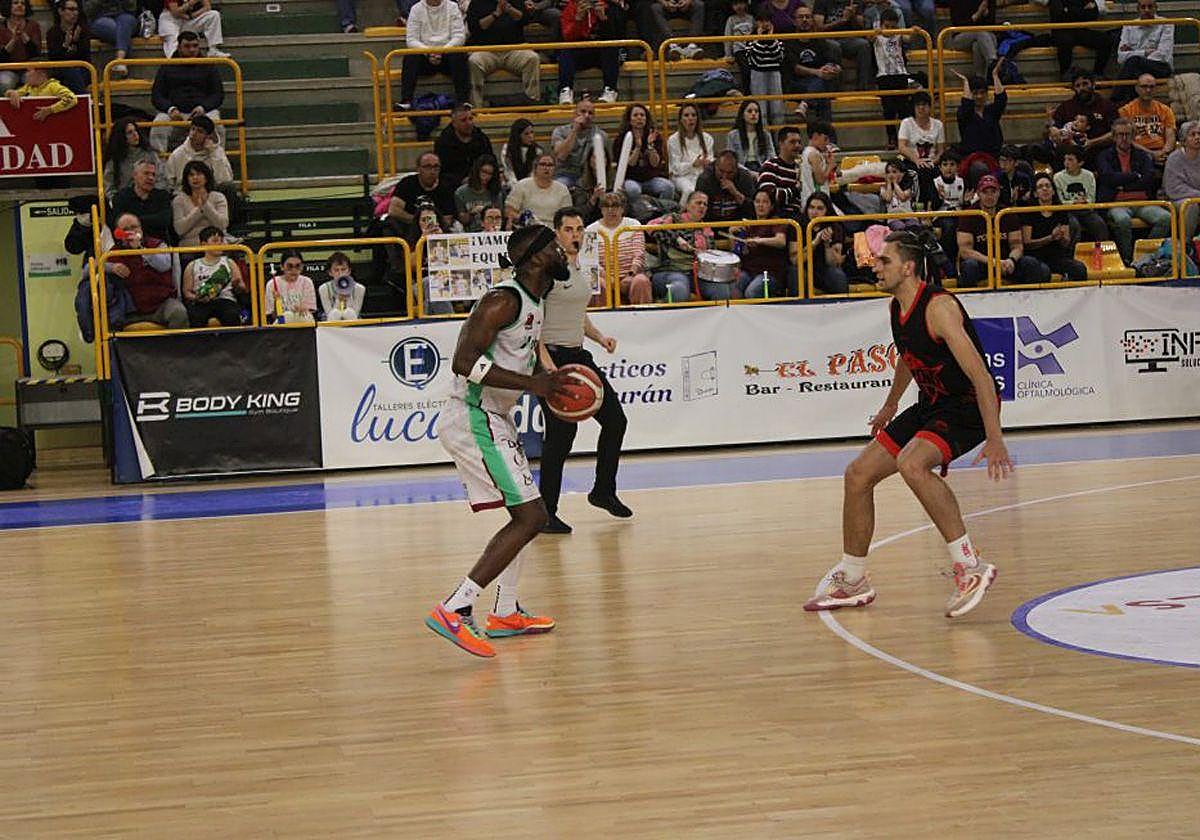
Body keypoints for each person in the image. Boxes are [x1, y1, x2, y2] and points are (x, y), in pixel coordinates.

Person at [804, 228, 1010, 617]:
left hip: (964, 408)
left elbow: (982, 377)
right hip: (931, 403)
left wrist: (995, 437)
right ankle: (853, 579)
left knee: (912, 464)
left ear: (909, 267)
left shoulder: (939, 308)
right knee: (858, 474)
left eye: (885, 261)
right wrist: (890, 404)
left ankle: (969, 565)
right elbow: (908, 356)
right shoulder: (898, 306)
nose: (876, 267)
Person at [424, 224, 573, 658]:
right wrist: (535, 385)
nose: (564, 250)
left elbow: (525, 346)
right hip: (473, 416)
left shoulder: (535, 299)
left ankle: (505, 610)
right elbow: (463, 362)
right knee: (530, 517)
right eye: (556, 245)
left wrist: (548, 380)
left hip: (496, 417)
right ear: (538, 256)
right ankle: (456, 606)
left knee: (528, 515)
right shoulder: (500, 300)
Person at [536, 207, 630, 534]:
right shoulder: (546, 271)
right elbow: (532, 325)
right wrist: (546, 366)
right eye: (569, 229)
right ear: (556, 233)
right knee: (561, 438)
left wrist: (600, 337)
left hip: (579, 354)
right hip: (553, 360)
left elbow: (578, 314)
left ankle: (603, 491)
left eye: (579, 229)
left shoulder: (577, 267)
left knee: (616, 421)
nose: (575, 234)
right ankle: (545, 512)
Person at [1096, 117, 1171, 264]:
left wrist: (1124, 185)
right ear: (1114, 137)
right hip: (1116, 203)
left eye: (1128, 134)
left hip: (1142, 201)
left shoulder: (1143, 155)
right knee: (1122, 220)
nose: (1124, 138)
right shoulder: (1104, 156)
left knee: (1166, 218)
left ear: (1133, 136)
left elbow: (1148, 179)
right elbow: (1108, 178)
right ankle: (1127, 258)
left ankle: (1145, 257)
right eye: (1120, 135)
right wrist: (1135, 176)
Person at [110, 212, 189, 329]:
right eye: (125, 229)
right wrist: (111, 267)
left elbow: (164, 265)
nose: (130, 231)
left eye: (134, 227)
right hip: (131, 309)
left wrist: (141, 250)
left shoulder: (158, 244)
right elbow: (89, 269)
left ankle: (175, 347)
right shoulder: (114, 252)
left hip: (162, 304)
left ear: (141, 228)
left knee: (179, 313)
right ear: (119, 233)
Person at [150, 31, 225, 152]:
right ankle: (160, 167)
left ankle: (217, 161)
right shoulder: (167, 66)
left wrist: (203, 107)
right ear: (179, 47)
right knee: (158, 125)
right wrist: (171, 109)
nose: (192, 50)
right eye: (187, 46)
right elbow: (157, 95)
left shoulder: (208, 65)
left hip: (202, 112)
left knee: (216, 124)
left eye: (195, 46)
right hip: (174, 114)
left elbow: (218, 94)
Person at [955, 174, 1034, 286]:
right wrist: (993, 262)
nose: (989, 196)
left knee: (1032, 264)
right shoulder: (969, 215)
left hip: (1006, 263)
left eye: (993, 192)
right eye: (985, 192)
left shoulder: (1007, 214)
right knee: (969, 266)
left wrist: (1011, 260)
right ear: (978, 194)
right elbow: (965, 251)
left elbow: (1017, 245)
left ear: (999, 193)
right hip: (982, 263)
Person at [466, 0, 540, 108]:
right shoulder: (477, 2)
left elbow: (525, 19)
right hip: (486, 50)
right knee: (473, 61)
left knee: (532, 58)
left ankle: (532, 101)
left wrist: (509, 9)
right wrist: (496, 14)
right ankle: (476, 107)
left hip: (514, 49)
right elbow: (475, 27)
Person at [398, 0, 470, 108]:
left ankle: (463, 101)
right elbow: (411, 40)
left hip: (448, 57)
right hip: (425, 57)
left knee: (458, 55)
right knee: (410, 57)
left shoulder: (453, 7)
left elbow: (459, 37)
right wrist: (428, 52)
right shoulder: (416, 9)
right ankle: (406, 100)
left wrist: (442, 51)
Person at [649, 191, 718, 301]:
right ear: (687, 205)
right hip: (670, 270)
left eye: (705, 204)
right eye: (698, 203)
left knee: (721, 289)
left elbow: (711, 253)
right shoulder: (674, 219)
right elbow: (651, 227)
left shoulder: (706, 228)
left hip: (697, 274)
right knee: (680, 289)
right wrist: (677, 239)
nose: (702, 206)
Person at [1020, 174, 1088, 283]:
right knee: (1044, 272)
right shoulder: (1028, 212)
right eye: (1040, 187)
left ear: (1053, 191)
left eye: (1048, 186)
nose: (1045, 189)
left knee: (1079, 269)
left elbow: (1066, 243)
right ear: (1035, 193)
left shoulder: (1060, 210)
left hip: (1056, 257)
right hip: (1036, 257)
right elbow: (1027, 243)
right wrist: (1050, 238)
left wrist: (1061, 237)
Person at [587, 191, 652, 304]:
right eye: (606, 206)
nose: (610, 210)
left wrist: (630, 275)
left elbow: (639, 254)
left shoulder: (634, 224)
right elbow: (591, 263)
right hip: (603, 277)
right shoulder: (590, 230)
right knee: (595, 282)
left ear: (622, 208)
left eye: (615, 206)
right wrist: (609, 279)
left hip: (630, 275)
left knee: (641, 281)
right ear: (601, 209)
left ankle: (643, 318)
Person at [557, 0, 621, 105]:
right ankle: (565, 90)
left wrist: (603, 18)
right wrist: (578, 19)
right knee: (566, 50)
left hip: (601, 53)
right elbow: (567, 37)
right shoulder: (571, 7)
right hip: (580, 51)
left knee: (611, 48)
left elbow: (616, 37)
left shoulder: (610, 7)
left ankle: (610, 89)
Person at [784, 3, 839, 122]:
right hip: (797, 83)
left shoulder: (819, 40)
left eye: (808, 17)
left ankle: (806, 104)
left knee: (822, 92)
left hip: (817, 83)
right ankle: (828, 137)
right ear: (794, 21)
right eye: (801, 17)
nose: (805, 20)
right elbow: (795, 68)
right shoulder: (789, 42)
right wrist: (817, 72)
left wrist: (832, 68)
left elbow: (831, 61)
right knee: (821, 88)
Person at [181, 225, 244, 327]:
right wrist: (197, 298)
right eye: (215, 241)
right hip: (201, 302)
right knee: (195, 317)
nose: (220, 243)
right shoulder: (192, 265)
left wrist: (237, 284)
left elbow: (242, 287)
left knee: (231, 315)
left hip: (225, 300)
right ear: (203, 244)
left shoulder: (229, 262)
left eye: (221, 240)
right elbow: (186, 292)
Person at [386, 152, 457, 240]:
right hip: (408, 227)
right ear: (418, 169)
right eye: (427, 167)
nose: (432, 171)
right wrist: (418, 222)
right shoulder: (407, 183)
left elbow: (448, 219)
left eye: (436, 167)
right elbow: (393, 210)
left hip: (437, 229)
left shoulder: (446, 186)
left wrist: (431, 226)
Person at [614, 103, 674, 205]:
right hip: (631, 179)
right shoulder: (622, 138)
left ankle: (663, 213)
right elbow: (630, 164)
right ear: (629, 119)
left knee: (668, 187)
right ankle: (639, 214)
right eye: (635, 115)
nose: (639, 118)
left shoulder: (655, 136)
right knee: (633, 190)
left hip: (651, 178)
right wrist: (637, 147)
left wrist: (650, 146)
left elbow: (655, 163)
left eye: (642, 115)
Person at [735, 188, 790, 298]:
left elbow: (781, 241)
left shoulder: (776, 221)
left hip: (770, 273)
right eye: (757, 201)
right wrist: (733, 234)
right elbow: (738, 251)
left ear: (772, 206)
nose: (761, 205)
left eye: (765, 202)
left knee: (751, 292)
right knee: (733, 288)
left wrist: (759, 241)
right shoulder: (748, 224)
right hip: (749, 270)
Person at [1049, 71, 1117, 159]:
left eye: (1085, 84)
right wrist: (1054, 129)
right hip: (1071, 152)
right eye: (1078, 86)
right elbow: (1055, 126)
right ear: (1074, 89)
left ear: (1093, 84)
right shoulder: (1066, 106)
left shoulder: (1107, 105)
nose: (1082, 88)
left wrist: (1092, 142)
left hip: (1100, 150)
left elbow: (1116, 132)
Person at [1115, 0, 1173, 101]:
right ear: (1138, 9)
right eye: (1143, 7)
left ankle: (1115, 100)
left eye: (1150, 7)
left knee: (1133, 62)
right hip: (1135, 69)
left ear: (1156, 8)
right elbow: (1120, 57)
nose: (1147, 10)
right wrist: (1145, 53)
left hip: (1160, 67)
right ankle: (1134, 108)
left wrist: (1133, 52)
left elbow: (1163, 55)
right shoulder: (1129, 26)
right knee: (1135, 71)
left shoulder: (1166, 23)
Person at [163, 114, 234, 191]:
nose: (194, 133)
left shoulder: (217, 153)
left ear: (208, 136)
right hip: (184, 195)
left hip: (210, 195)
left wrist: (213, 153)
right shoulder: (177, 154)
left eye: (200, 131)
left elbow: (225, 180)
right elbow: (169, 182)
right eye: (193, 129)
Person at [111, 159, 175, 244]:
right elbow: (119, 225)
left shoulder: (162, 196)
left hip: (158, 246)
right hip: (129, 245)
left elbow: (164, 220)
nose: (151, 178)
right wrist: (151, 221)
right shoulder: (121, 197)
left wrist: (133, 223)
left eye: (153, 175)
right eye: (146, 173)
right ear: (134, 175)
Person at [1053, 145, 1108, 244]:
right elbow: (1060, 201)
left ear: (1080, 162)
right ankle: (1071, 254)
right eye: (1065, 159)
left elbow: (1091, 199)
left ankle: (1102, 254)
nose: (1066, 163)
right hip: (1068, 211)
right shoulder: (1057, 177)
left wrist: (1085, 202)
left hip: (1086, 210)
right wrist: (1074, 203)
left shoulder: (1089, 176)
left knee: (1100, 224)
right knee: (1074, 226)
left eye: (1070, 160)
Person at [551, 97, 609, 191]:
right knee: (561, 186)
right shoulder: (560, 131)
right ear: (574, 114)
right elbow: (561, 156)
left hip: (590, 175)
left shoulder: (601, 135)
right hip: (565, 173)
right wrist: (574, 130)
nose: (586, 115)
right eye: (583, 111)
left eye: (590, 113)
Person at [813, 0, 871, 92]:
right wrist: (842, 20)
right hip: (828, 39)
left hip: (848, 39)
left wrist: (853, 16)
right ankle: (835, 90)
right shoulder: (822, 2)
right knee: (834, 46)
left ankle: (863, 88)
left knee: (864, 45)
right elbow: (819, 28)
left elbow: (861, 27)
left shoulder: (854, 1)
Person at [1119, 74, 1176, 166]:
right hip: (1137, 152)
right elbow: (1126, 139)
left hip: (1161, 151)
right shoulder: (1126, 111)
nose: (1148, 90)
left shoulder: (1165, 110)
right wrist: (1151, 154)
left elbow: (1170, 137)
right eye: (1144, 87)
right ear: (1136, 89)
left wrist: (1164, 152)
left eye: (1151, 87)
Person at [954, 65, 1006, 165]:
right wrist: (966, 83)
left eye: (982, 93)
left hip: (995, 156)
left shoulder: (991, 111)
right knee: (980, 168)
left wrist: (995, 75)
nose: (979, 96)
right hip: (973, 158)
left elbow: (1001, 99)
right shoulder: (963, 113)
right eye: (975, 93)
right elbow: (967, 105)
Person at [898, 92, 944, 205]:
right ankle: (921, 206)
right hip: (912, 162)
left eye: (924, 105)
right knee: (920, 174)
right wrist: (917, 160)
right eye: (918, 105)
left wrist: (933, 161)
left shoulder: (938, 125)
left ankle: (936, 207)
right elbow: (902, 147)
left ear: (929, 107)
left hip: (932, 162)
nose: (921, 108)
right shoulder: (906, 123)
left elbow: (941, 150)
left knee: (937, 173)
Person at [434, 103, 494, 189]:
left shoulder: (482, 139)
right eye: (463, 120)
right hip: (453, 186)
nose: (469, 123)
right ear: (454, 123)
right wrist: (460, 181)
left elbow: (490, 162)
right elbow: (441, 172)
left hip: (482, 182)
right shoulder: (443, 142)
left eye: (470, 119)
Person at [172, 160, 229, 247]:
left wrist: (206, 206)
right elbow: (179, 229)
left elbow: (222, 224)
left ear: (206, 177)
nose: (195, 177)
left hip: (216, 243)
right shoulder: (179, 200)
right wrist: (200, 210)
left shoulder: (218, 197)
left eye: (199, 174)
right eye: (191, 175)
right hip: (189, 245)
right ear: (186, 179)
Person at [506, 152, 573, 226]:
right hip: (527, 230)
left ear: (555, 169)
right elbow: (510, 211)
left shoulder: (562, 189)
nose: (546, 168)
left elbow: (567, 216)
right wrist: (524, 219)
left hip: (553, 231)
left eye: (550, 165)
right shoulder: (522, 185)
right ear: (535, 168)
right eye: (543, 164)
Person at [743, 11, 786, 126]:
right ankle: (763, 138)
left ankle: (779, 139)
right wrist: (760, 38)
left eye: (767, 20)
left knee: (777, 107)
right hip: (758, 74)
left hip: (774, 73)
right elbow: (756, 58)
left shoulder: (778, 39)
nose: (765, 23)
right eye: (761, 21)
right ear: (756, 22)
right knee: (760, 106)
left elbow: (778, 56)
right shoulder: (750, 40)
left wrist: (770, 38)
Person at [803, 191, 848, 293]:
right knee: (795, 273)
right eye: (811, 207)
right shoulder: (798, 226)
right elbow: (796, 260)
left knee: (838, 276)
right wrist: (815, 242)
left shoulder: (835, 227)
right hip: (803, 268)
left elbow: (835, 263)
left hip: (824, 269)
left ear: (827, 211)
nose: (814, 212)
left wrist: (827, 245)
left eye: (820, 208)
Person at [757, 124, 805, 219]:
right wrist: (795, 190)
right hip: (777, 218)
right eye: (792, 142)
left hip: (799, 216)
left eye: (799, 142)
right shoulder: (770, 166)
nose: (797, 145)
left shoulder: (801, 167)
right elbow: (770, 198)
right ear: (781, 143)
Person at [667, 102, 714, 198]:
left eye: (693, 115)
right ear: (681, 119)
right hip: (681, 177)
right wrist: (692, 164)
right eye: (686, 115)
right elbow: (675, 168)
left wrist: (708, 162)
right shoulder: (673, 139)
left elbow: (711, 160)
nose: (690, 118)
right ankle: (681, 211)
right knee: (690, 190)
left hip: (701, 175)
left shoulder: (707, 138)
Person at [696, 149, 757, 223]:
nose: (724, 176)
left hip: (738, 224)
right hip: (711, 225)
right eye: (721, 171)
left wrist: (736, 193)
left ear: (736, 169)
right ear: (715, 166)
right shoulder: (705, 180)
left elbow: (753, 209)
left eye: (730, 173)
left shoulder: (745, 178)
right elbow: (699, 210)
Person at [1163, 122, 1200, 240]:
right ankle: (1185, 245)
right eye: (1192, 134)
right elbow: (1173, 189)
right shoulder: (1174, 158)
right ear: (1183, 140)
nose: (1197, 137)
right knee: (1190, 206)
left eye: (1199, 134)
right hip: (1177, 199)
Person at [45, 0, 91, 95]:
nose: (75, 13)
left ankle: (84, 100)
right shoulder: (53, 33)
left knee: (74, 72)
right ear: (60, 11)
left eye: (76, 10)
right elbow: (54, 59)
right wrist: (65, 45)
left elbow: (85, 58)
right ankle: (86, 101)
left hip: (82, 69)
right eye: (71, 9)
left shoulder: (82, 31)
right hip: (60, 71)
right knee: (69, 71)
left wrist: (74, 41)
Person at [105, 117, 161, 193]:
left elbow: (160, 179)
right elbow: (109, 185)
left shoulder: (150, 154)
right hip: (124, 200)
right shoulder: (115, 159)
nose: (135, 134)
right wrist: (116, 200)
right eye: (130, 132)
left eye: (136, 131)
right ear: (121, 136)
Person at [3, 64, 78, 119]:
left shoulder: (53, 86)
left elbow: (71, 98)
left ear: (42, 74)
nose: (26, 74)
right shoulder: (28, 87)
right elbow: (14, 93)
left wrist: (50, 110)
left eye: (29, 71)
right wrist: (11, 93)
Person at [84, 0, 136, 78]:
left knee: (127, 21)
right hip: (99, 18)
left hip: (123, 16)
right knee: (119, 31)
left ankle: (119, 59)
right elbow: (86, 10)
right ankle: (120, 61)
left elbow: (132, 8)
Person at [945, 0, 997, 78]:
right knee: (980, 33)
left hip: (986, 37)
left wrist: (986, 14)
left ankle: (980, 79)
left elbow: (991, 24)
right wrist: (977, 15)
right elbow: (958, 24)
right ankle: (993, 63)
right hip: (961, 37)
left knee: (976, 46)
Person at [158, 0, 227, 59]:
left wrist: (192, 16)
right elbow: (175, 12)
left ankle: (213, 50)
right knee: (173, 41)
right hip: (170, 20)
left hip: (188, 19)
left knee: (214, 15)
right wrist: (191, 3)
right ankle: (174, 61)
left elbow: (207, 7)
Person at [264, 249, 317, 324]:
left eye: (298, 266)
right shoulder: (272, 284)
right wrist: (276, 303)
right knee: (288, 315)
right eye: (290, 266)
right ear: (282, 267)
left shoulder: (307, 282)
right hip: (281, 323)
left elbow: (309, 312)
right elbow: (272, 317)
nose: (294, 270)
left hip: (303, 320)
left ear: (302, 267)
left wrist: (302, 309)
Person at [0, 0, 42, 93]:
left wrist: (23, 35)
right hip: (6, 69)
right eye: (15, 3)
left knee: (36, 82)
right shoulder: (1, 27)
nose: (20, 5)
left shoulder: (33, 25)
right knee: (5, 83)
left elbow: (36, 54)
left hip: (28, 68)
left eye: (22, 3)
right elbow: (1, 57)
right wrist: (14, 39)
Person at [455, 154, 502, 231]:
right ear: (476, 171)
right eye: (484, 172)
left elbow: (499, 219)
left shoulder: (496, 192)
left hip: (492, 232)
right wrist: (472, 212)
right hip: (470, 234)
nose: (486, 176)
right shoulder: (461, 193)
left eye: (490, 174)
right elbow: (462, 220)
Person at [726, 100, 775, 173]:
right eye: (749, 111)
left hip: (761, 167)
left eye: (756, 111)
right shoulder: (733, 135)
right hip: (741, 169)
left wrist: (764, 170)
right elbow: (731, 159)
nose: (753, 114)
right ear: (742, 115)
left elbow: (771, 155)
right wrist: (749, 172)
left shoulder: (765, 134)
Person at [317, 251, 367, 321]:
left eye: (343, 269)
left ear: (349, 271)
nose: (340, 273)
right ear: (330, 273)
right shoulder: (323, 289)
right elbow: (330, 316)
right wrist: (338, 300)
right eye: (336, 270)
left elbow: (354, 315)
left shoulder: (359, 289)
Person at [501, 118, 542, 194]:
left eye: (532, 132)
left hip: (530, 186)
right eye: (526, 134)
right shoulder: (507, 149)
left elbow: (533, 173)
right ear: (518, 135)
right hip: (512, 184)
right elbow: (509, 171)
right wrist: (517, 188)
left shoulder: (538, 151)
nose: (531, 136)